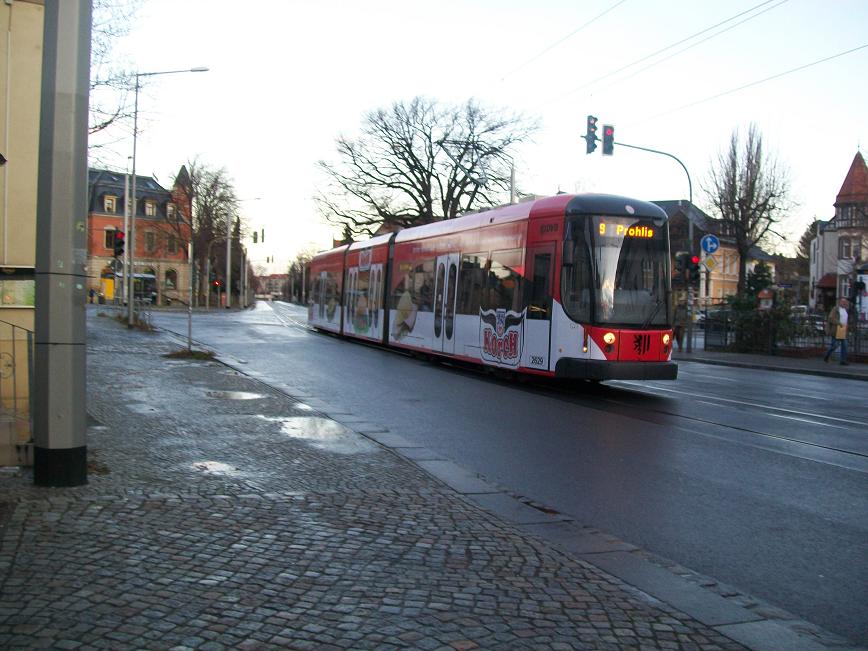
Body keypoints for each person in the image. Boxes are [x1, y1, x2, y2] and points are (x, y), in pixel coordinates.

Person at [823, 297, 850, 365]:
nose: (844, 303)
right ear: (839, 302)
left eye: (845, 302)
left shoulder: (846, 310)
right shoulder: (836, 309)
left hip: (843, 330)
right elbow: (831, 318)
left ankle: (843, 360)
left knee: (845, 345)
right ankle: (827, 355)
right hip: (836, 330)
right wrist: (839, 323)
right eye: (843, 302)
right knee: (835, 345)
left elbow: (847, 319)